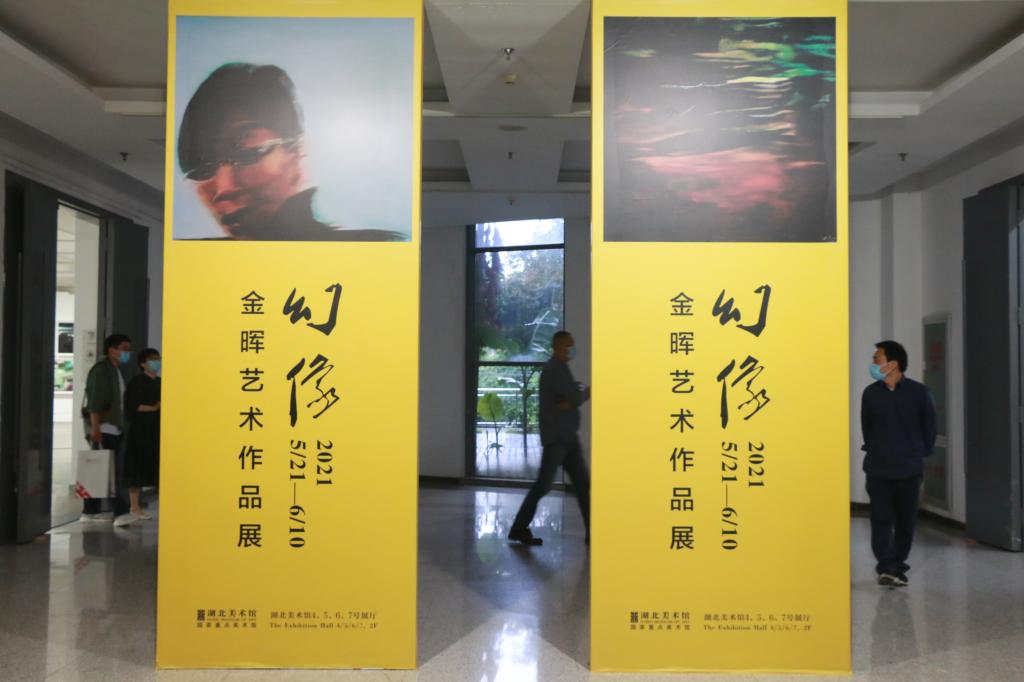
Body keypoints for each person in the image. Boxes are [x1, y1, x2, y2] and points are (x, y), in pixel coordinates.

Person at [177, 62, 405, 242]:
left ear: (297, 152)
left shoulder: (377, 249)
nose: (224, 188)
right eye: (200, 168)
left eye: (249, 153)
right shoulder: (197, 262)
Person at [861, 340, 937, 587]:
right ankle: (887, 567)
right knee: (880, 520)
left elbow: (929, 430)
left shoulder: (920, 393)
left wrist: (916, 453)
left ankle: (897, 565)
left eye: (877, 359)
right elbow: (867, 428)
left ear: (892, 364)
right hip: (878, 468)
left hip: (908, 469)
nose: (873, 363)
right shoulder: (870, 394)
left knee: (905, 522)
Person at [508, 331, 591, 546]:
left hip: (567, 437)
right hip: (557, 439)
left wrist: (574, 395)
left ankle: (593, 531)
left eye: (572, 345)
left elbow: (572, 396)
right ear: (557, 347)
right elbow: (574, 397)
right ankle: (518, 529)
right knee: (543, 486)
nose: (572, 349)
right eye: (568, 345)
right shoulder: (553, 370)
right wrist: (584, 392)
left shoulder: (562, 368)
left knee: (583, 484)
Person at [80, 333, 132, 522]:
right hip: (104, 428)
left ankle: (90, 511)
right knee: (110, 472)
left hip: (113, 428)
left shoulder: (115, 370)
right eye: (124, 349)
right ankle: (121, 512)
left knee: (99, 470)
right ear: (112, 350)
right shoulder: (101, 370)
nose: (127, 353)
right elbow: (95, 402)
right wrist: (95, 429)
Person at [120, 348, 161, 525]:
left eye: (158, 359)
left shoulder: (161, 382)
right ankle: (135, 507)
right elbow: (133, 406)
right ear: (143, 363)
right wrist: (154, 408)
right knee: (136, 469)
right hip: (140, 431)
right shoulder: (137, 382)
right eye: (152, 359)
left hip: (158, 431)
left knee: (159, 469)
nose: (157, 362)